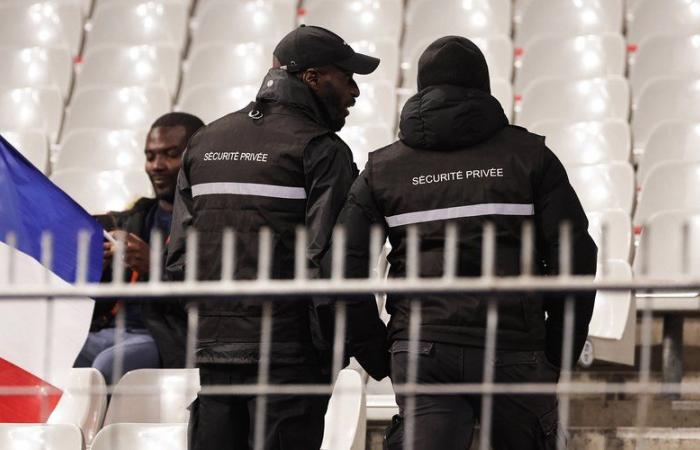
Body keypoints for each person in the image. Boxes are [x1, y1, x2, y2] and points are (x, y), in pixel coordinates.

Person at [335, 36, 598, 450]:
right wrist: (559, 347)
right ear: (484, 87)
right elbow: (576, 253)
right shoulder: (529, 156)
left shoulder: (383, 169)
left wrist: (376, 351)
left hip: (422, 348)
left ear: (422, 89)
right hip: (514, 346)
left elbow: (342, 265)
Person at [165, 25, 389, 450]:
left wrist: (212, 330)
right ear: (312, 78)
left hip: (215, 355)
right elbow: (333, 267)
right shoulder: (322, 150)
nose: (355, 92)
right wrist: (374, 353)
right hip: (290, 360)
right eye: (347, 77)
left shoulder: (204, 142)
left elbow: (178, 259)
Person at [75, 112, 205, 382]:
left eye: (170, 154)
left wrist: (154, 265)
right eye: (149, 156)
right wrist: (100, 264)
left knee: (107, 364)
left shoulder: (209, 221)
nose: (156, 165)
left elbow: (211, 303)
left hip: (165, 336)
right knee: (56, 352)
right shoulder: (136, 217)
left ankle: (98, 427)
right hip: (111, 328)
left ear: (196, 156)